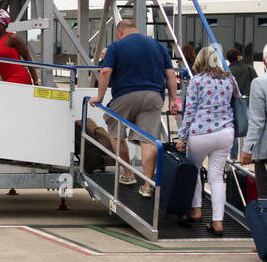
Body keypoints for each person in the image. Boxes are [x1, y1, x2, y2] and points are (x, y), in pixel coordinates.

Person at [90, 18, 181, 197]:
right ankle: (148, 185)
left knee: (116, 131)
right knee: (148, 139)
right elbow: (170, 75)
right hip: (154, 96)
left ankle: (128, 173)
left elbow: (106, 71)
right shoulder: (158, 47)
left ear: (119, 32)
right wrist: (173, 99)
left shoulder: (116, 47)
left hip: (126, 95)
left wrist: (99, 97)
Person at [175, 47, 237, 233]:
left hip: (201, 133)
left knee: (194, 171)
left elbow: (190, 111)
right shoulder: (230, 79)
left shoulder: (197, 81)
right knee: (217, 177)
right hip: (226, 132)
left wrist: (182, 137)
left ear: (200, 61)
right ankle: (218, 222)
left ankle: (196, 210)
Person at [239, 47, 267, 196]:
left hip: (264, 152)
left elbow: (257, 121)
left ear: (264, 62)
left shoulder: (260, 83)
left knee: (264, 197)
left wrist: (247, 149)